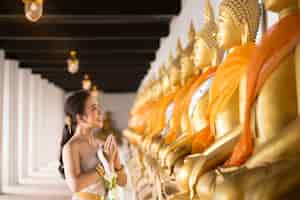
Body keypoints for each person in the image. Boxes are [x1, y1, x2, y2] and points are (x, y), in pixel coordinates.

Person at [58, 90, 127, 200]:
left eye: (99, 107)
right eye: (94, 108)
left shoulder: (101, 144)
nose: (100, 112)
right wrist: (106, 164)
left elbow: (123, 182)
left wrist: (116, 160)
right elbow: (75, 185)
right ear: (80, 118)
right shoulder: (72, 146)